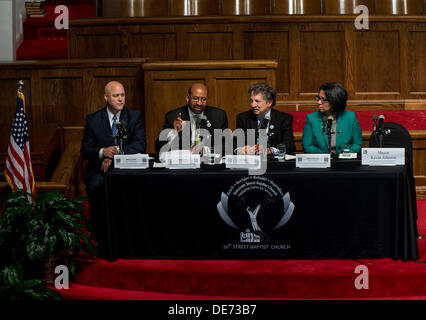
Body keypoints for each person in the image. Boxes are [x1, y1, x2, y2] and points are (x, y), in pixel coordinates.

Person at [81, 81, 146, 251]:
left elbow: (140, 145)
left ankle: (131, 235)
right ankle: (97, 235)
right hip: (99, 170)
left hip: (126, 168)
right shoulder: (93, 119)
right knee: (96, 185)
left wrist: (115, 153)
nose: (120, 99)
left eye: (122, 95)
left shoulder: (134, 116)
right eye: (116, 95)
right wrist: (103, 152)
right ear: (106, 97)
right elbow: (86, 150)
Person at [155, 83, 228, 154]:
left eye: (203, 99)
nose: (199, 103)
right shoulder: (173, 116)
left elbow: (226, 146)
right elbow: (159, 148)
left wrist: (204, 150)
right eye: (195, 98)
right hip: (183, 163)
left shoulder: (218, 116)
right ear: (187, 98)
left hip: (208, 163)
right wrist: (173, 132)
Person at [302, 82, 363, 155]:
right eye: (318, 98)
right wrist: (326, 157)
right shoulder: (311, 118)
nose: (319, 102)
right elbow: (307, 146)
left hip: (344, 161)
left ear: (335, 101)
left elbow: (357, 144)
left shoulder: (350, 117)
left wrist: (345, 155)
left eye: (323, 99)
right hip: (321, 163)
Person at [235, 83, 295, 155]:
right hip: (250, 161)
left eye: (257, 101)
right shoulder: (243, 118)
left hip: (273, 162)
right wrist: (240, 150)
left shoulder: (283, 118)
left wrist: (270, 151)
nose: (253, 105)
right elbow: (235, 144)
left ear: (269, 102)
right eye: (251, 101)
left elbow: (289, 146)